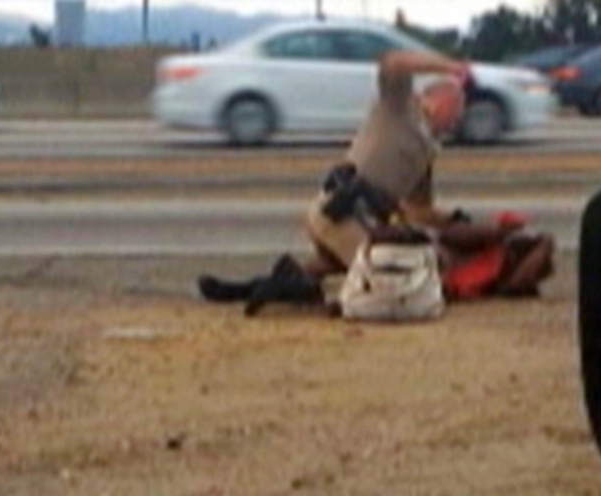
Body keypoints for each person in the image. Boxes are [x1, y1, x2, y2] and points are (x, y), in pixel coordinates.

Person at [199, 49, 554, 315]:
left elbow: (420, 211)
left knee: (343, 266)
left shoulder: (427, 149)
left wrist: (481, 226)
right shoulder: (397, 108)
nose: (458, 120)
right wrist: (449, 66)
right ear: (438, 100)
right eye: (457, 110)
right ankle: (293, 288)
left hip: (358, 222)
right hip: (338, 211)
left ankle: (246, 289)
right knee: (388, 285)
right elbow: (393, 63)